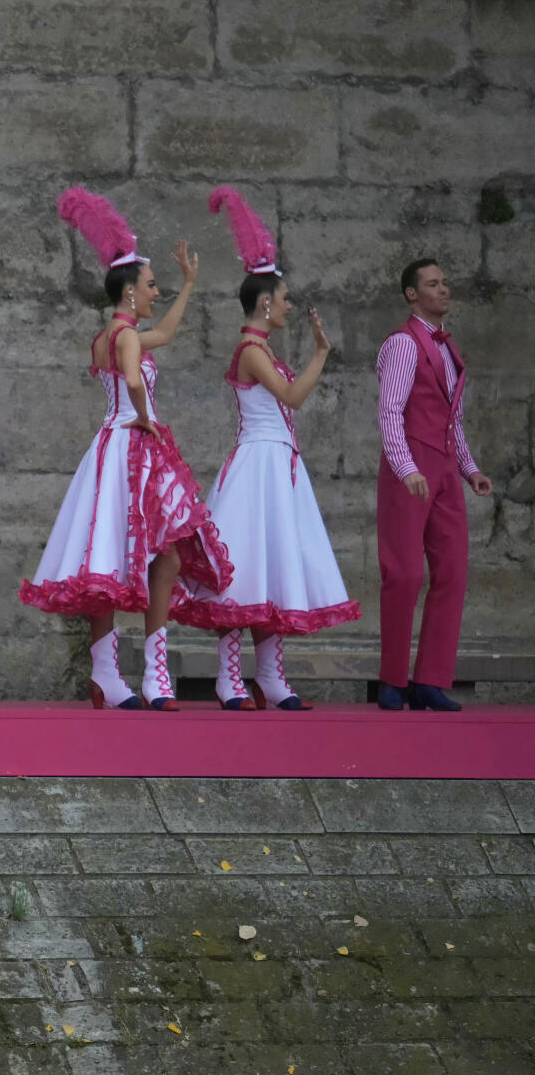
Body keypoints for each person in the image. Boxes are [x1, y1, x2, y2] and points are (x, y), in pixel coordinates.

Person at [21, 189, 232, 711]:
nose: (154, 293)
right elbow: (135, 376)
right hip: (133, 442)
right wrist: (143, 413)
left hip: (111, 448)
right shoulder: (127, 339)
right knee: (164, 552)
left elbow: (161, 332)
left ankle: (107, 674)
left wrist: (188, 286)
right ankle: (153, 674)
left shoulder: (109, 334)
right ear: (130, 291)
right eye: (152, 285)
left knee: (114, 555)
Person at [170, 189, 357, 709]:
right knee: (245, 570)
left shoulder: (263, 348)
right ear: (266, 302)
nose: (291, 305)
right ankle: (231, 678)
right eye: (286, 297)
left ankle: (271, 677)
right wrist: (321, 353)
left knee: (271, 568)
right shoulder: (250, 350)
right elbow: (294, 397)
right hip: (258, 465)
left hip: (278, 467)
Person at [374, 258, 493, 712]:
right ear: (411, 293)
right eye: (433, 284)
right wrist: (406, 468)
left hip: (443, 467)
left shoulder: (448, 348)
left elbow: (453, 419)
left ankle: (430, 679)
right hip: (412, 465)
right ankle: (392, 679)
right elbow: (390, 412)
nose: (444, 289)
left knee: (453, 572)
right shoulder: (403, 345)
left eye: (446, 282)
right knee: (404, 572)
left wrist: (470, 468)